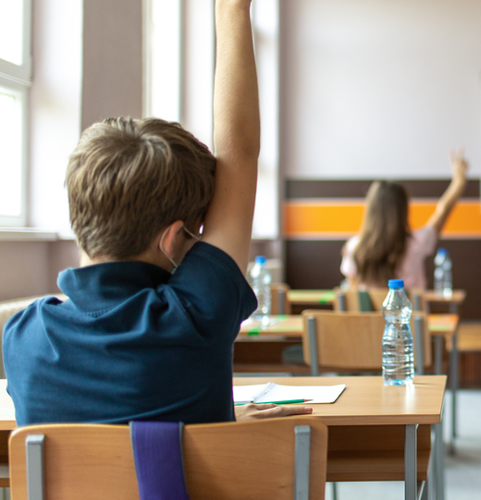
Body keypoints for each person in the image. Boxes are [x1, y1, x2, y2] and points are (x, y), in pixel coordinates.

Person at [3, 0, 308, 425]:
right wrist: (232, 10)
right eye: (194, 236)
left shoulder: (23, 337)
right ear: (171, 237)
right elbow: (239, 151)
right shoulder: (196, 314)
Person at [341, 150, 468, 289]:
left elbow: (352, 293)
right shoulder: (416, 244)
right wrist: (459, 181)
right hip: (413, 311)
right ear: (403, 211)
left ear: (370, 210)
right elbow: (442, 211)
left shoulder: (354, 247)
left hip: (372, 312)